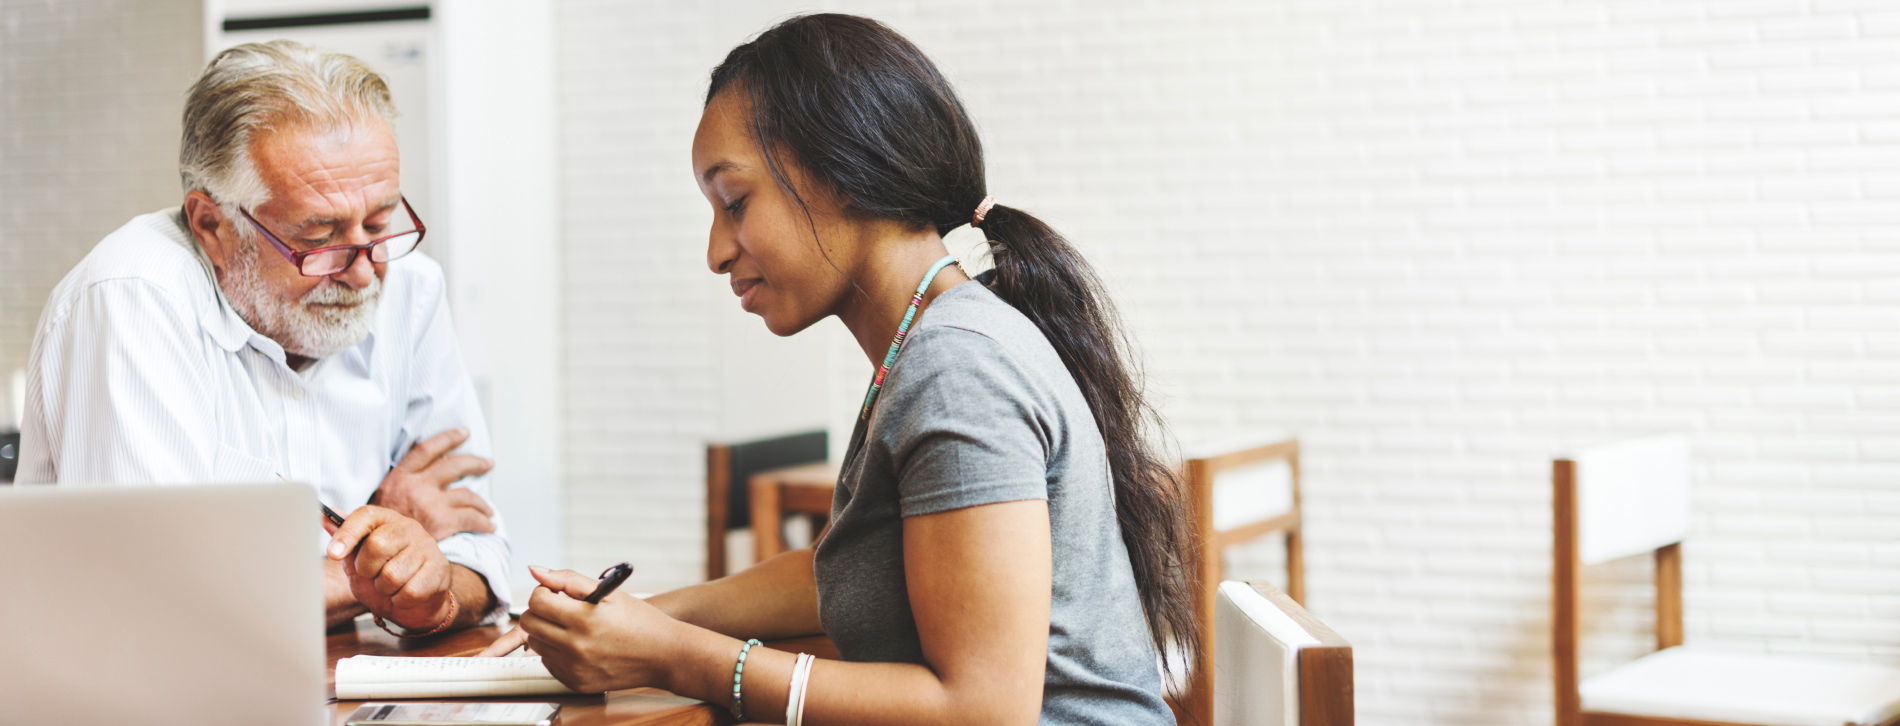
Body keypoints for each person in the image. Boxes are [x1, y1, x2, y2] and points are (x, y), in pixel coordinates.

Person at [482, 14, 1197, 725]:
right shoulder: (931, 342)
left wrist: (673, 654)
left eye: (735, 203)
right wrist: (637, 618)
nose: (716, 251)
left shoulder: (958, 366)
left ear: (842, 176)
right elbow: (846, 572)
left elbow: (982, 711)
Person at [17, 41, 511, 635]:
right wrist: (382, 550)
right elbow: (154, 602)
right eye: (320, 237)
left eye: (379, 223)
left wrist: (434, 591)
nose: (362, 271)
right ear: (212, 226)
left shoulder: (410, 287)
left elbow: (482, 554)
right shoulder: (132, 295)